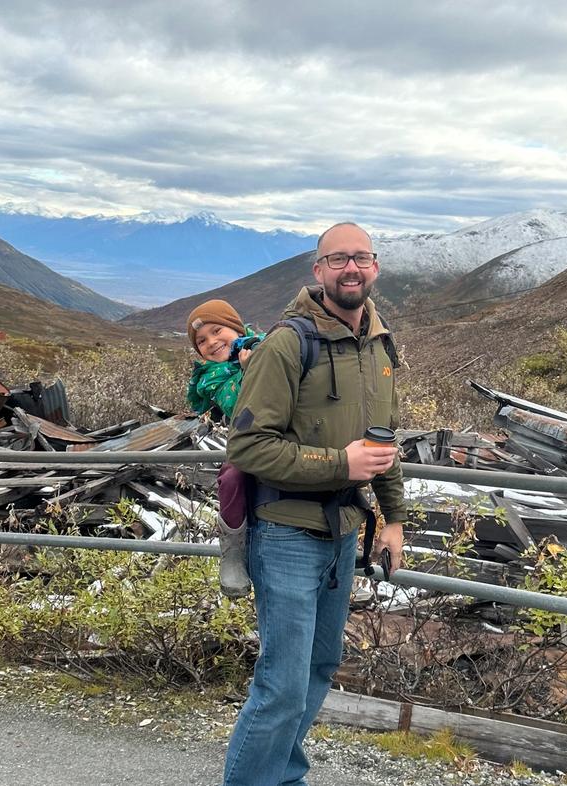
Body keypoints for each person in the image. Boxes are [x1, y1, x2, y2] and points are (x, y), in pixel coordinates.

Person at [221, 222, 406, 786]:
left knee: (319, 669)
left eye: (361, 258)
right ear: (318, 270)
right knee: (282, 683)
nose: (351, 269)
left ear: (374, 267)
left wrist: (393, 517)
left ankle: (284, 775)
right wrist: (338, 466)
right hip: (285, 533)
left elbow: (384, 439)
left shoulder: (378, 340)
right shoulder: (286, 342)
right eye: (337, 260)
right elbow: (248, 445)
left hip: (344, 531)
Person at [186, 299, 264, 597]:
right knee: (231, 479)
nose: (212, 342)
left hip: (290, 432)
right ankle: (232, 550)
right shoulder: (209, 377)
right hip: (246, 439)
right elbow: (237, 403)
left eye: (218, 330)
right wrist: (249, 371)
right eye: (202, 341)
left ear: (236, 327)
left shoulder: (267, 345)